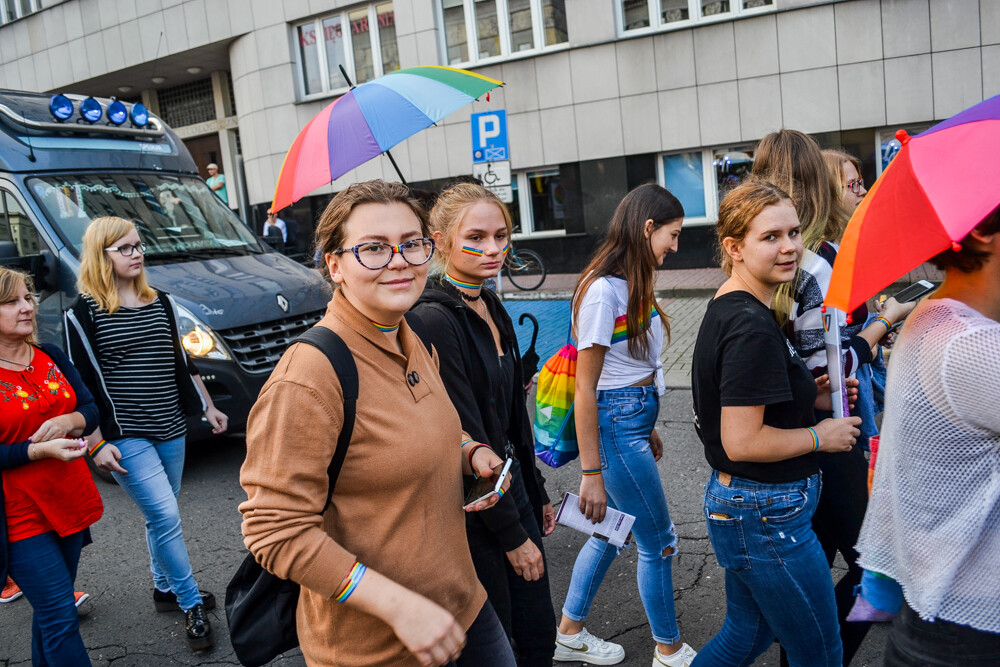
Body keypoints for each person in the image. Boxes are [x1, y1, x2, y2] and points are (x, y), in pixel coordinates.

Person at [239, 179, 517, 667]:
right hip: (378, 647)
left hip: (465, 605)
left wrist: (470, 452)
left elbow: (420, 430)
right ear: (334, 264)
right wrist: (399, 606)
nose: (400, 261)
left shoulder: (411, 335)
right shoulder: (308, 377)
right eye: (373, 248)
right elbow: (274, 532)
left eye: (411, 244)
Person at [752, 130, 913, 665]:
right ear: (817, 182)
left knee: (813, 570)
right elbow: (830, 364)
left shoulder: (773, 259)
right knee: (876, 571)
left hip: (797, 437)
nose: (858, 192)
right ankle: (824, 655)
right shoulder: (815, 263)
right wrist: (883, 324)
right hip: (828, 436)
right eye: (848, 183)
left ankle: (810, 654)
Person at [690, 178, 862, 666]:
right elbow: (742, 440)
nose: (789, 247)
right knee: (821, 652)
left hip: (751, 507)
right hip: (767, 515)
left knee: (745, 638)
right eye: (770, 237)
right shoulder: (749, 324)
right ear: (734, 248)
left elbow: (743, 401)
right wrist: (818, 435)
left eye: (793, 233)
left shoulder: (739, 307)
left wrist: (813, 396)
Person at [64, 216, 228, 651]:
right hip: (124, 433)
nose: (137, 254)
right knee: (166, 516)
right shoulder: (82, 314)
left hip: (171, 424)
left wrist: (208, 407)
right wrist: (96, 442)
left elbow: (182, 361)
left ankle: (162, 589)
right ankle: (190, 602)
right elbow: (81, 384)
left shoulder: (162, 302)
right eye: (125, 248)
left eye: (138, 246)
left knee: (162, 514)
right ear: (102, 255)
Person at [410, 183, 556, 666]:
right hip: (479, 514)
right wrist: (514, 535)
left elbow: (512, 420)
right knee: (507, 645)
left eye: (501, 236)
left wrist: (537, 491)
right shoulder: (433, 319)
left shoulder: (490, 303)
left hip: (515, 491)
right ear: (441, 240)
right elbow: (468, 435)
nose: (493, 249)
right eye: (476, 236)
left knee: (538, 636)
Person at [553, 183, 696, 667]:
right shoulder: (602, 292)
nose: (674, 248)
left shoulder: (628, 282)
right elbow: (587, 389)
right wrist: (591, 473)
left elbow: (629, 366)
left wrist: (648, 422)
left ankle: (570, 632)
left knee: (612, 532)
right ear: (648, 228)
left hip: (630, 422)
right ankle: (669, 650)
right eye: (671, 236)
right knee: (660, 543)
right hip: (616, 426)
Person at [856, 206, 1000, 666]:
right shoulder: (969, 346)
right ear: (982, 230)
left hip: (939, 611)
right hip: (970, 630)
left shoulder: (932, 317)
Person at [1, 266, 103, 665]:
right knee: (61, 616)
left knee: (51, 612)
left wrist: (68, 421)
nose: (26, 307)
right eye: (11, 301)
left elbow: (90, 409)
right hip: (19, 513)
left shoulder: (50, 355)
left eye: (28, 297)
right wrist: (33, 451)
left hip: (69, 500)